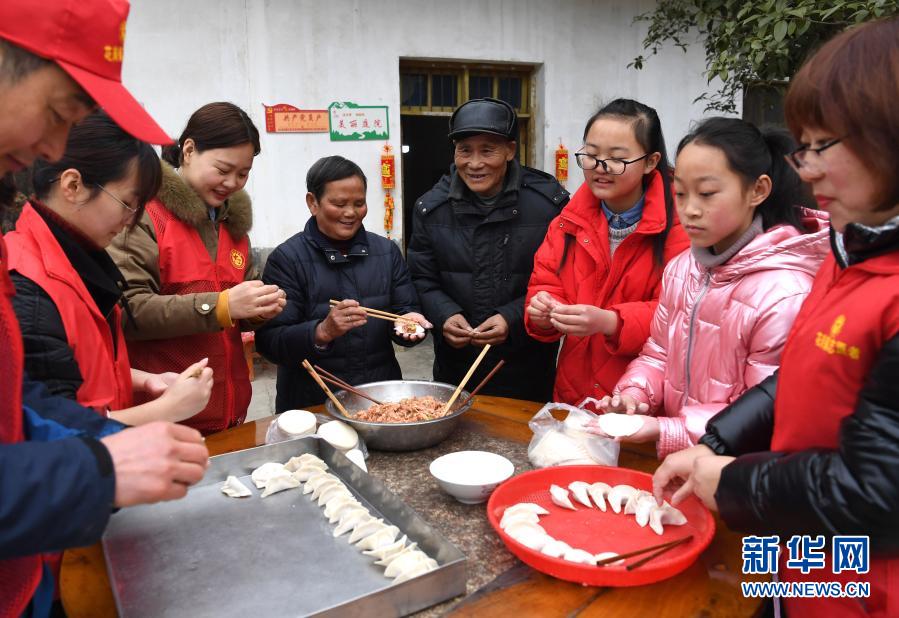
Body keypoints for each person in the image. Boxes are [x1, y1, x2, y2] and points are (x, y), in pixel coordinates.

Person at [653, 18, 899, 616]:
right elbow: (800, 377)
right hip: (802, 559)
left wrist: (732, 483)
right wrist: (717, 440)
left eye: (823, 145)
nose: (806, 169)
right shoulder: (849, 253)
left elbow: (877, 488)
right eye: (802, 146)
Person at [0, 1, 208, 615]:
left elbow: (16, 405)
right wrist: (98, 464)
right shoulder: (33, 269)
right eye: (61, 111)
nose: (57, 145)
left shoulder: (75, 261)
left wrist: (109, 436)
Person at [595, 117, 829, 458]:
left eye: (706, 194)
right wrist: (634, 396)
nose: (689, 210)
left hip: (735, 470)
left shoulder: (784, 294)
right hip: (684, 461)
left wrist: (666, 429)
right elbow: (659, 352)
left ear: (758, 191)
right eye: (680, 193)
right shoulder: (682, 269)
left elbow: (762, 414)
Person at [7, 111, 214, 425]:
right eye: (129, 204)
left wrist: (144, 380)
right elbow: (56, 435)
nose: (132, 220)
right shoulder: (28, 287)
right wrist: (166, 411)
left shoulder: (78, 259)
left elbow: (78, 366)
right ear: (73, 185)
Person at [109, 102, 286, 435]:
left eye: (243, 173)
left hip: (230, 414)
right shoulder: (145, 215)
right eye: (223, 168)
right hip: (162, 418)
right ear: (188, 150)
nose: (232, 182)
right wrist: (221, 305)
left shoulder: (232, 224)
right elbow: (128, 310)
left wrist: (258, 308)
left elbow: (235, 307)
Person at [525, 99, 690, 406]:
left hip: (644, 400)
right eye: (590, 155)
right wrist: (543, 311)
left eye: (616, 159)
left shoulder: (682, 225)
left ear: (651, 162)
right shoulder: (567, 222)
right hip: (576, 396)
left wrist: (611, 322)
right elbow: (545, 284)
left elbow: (684, 314)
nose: (600, 168)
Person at [407, 97, 568, 402]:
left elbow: (563, 280)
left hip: (527, 362)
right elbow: (421, 279)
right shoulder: (431, 208)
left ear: (510, 150)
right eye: (464, 150)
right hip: (456, 366)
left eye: (488, 150)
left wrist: (512, 318)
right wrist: (444, 316)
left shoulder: (549, 206)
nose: (475, 163)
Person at [256, 156, 429, 409]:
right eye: (339, 203)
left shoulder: (386, 252)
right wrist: (322, 332)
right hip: (312, 400)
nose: (351, 212)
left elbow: (404, 312)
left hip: (378, 398)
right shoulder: (287, 259)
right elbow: (270, 343)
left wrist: (409, 325)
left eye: (359, 203)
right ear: (312, 203)